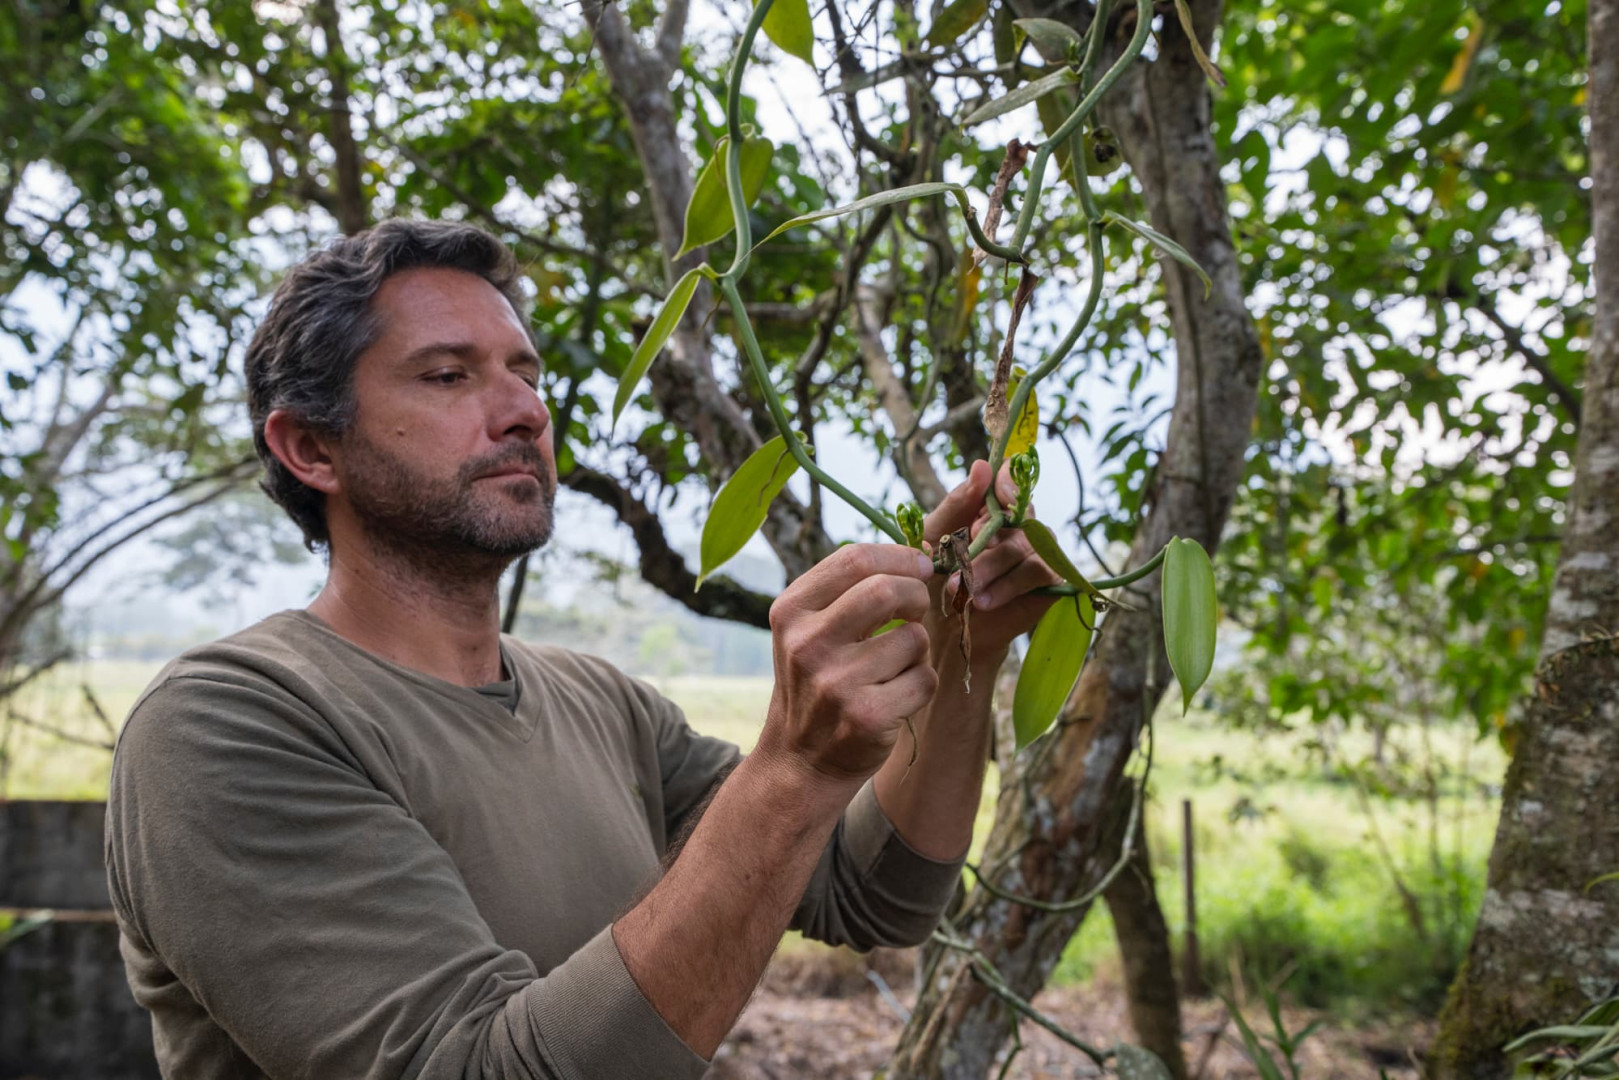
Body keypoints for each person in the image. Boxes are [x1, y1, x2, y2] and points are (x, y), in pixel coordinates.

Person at [104, 219, 1059, 1079]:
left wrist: (959, 655)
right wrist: (792, 768)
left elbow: (875, 895)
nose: (524, 411)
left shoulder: (603, 704)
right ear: (312, 448)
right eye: (448, 376)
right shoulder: (226, 725)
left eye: (525, 374)